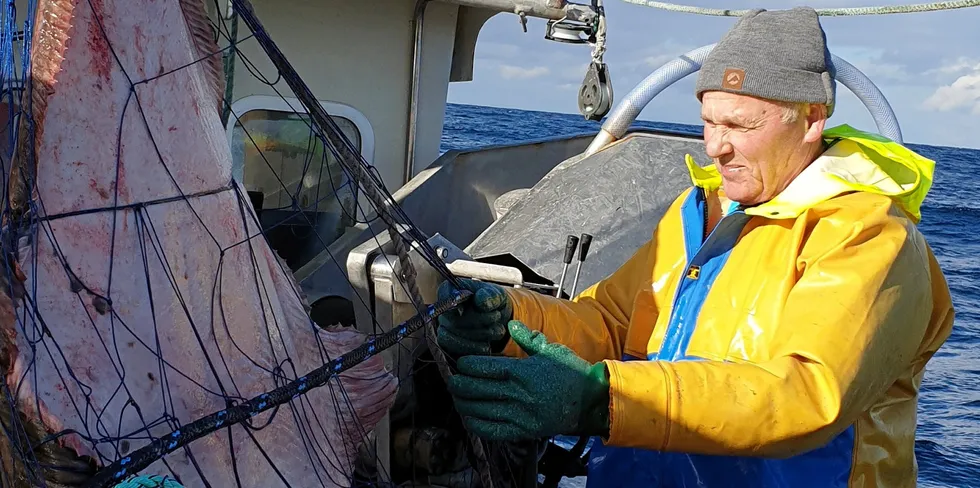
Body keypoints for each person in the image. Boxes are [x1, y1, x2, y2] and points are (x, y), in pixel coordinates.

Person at [435, 6, 955, 488]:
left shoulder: (870, 235)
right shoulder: (698, 210)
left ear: (812, 119)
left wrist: (600, 401)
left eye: (739, 125)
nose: (714, 146)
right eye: (708, 121)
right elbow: (614, 324)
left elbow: (805, 394)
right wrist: (513, 320)